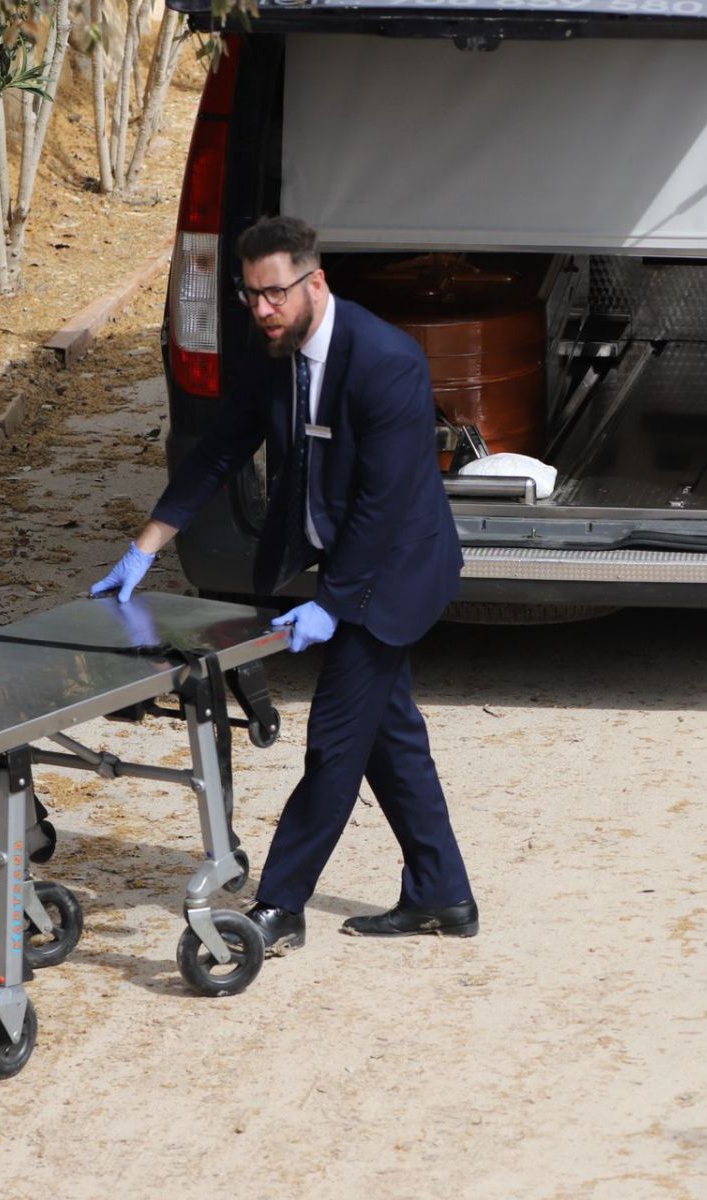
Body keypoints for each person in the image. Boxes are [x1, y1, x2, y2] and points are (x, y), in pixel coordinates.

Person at [92, 215, 477, 956]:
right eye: (251, 295)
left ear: (315, 282)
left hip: (395, 570)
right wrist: (144, 546)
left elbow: (383, 502)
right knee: (389, 737)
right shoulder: (273, 349)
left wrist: (333, 605)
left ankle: (281, 906)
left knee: (335, 742)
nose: (263, 309)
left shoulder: (386, 362)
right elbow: (219, 451)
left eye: (275, 294)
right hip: (348, 565)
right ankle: (442, 893)